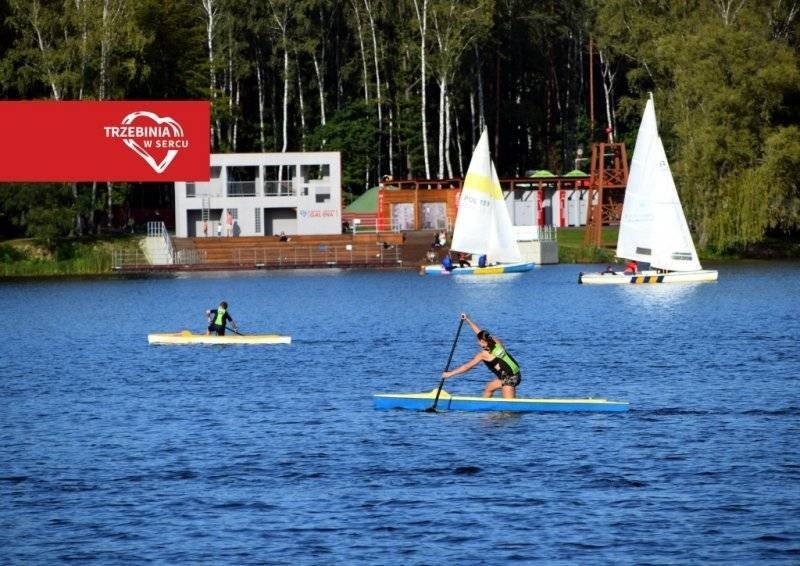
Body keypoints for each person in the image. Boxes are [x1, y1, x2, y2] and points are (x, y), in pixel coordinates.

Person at [442, 313, 521, 399]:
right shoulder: (496, 341)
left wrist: (450, 374)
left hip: (509, 378)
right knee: (489, 388)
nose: (477, 342)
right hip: (516, 374)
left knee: (509, 410)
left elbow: (467, 366)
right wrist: (467, 320)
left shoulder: (483, 354)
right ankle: (484, 405)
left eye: (478, 341)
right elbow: (480, 333)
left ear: (482, 342)